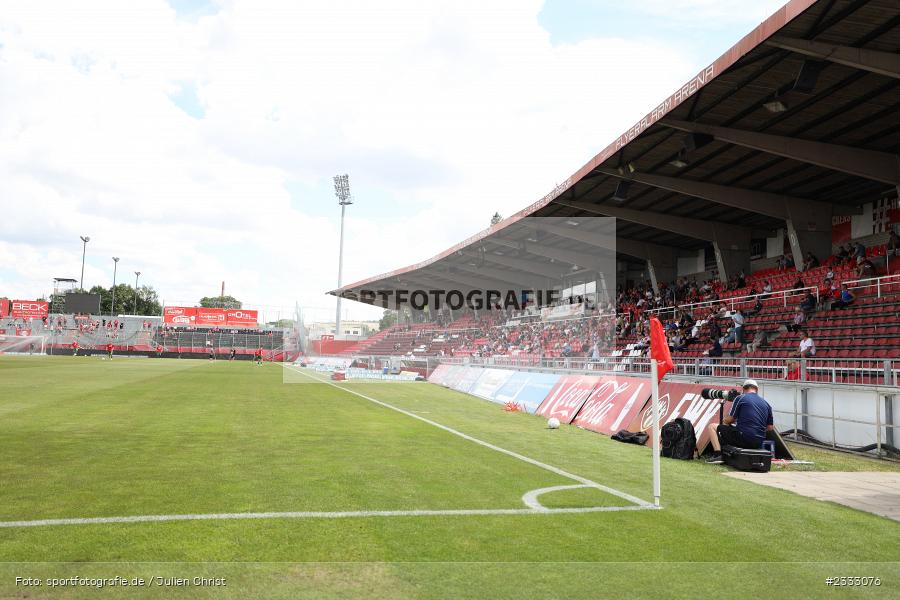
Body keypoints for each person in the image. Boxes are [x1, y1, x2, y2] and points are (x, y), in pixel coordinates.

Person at [706, 379, 774, 463]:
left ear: (743, 389)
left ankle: (718, 455)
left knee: (712, 427)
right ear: (757, 389)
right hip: (758, 442)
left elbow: (729, 420)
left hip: (743, 438)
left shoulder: (740, 398)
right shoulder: (767, 404)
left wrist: (725, 420)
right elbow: (770, 428)